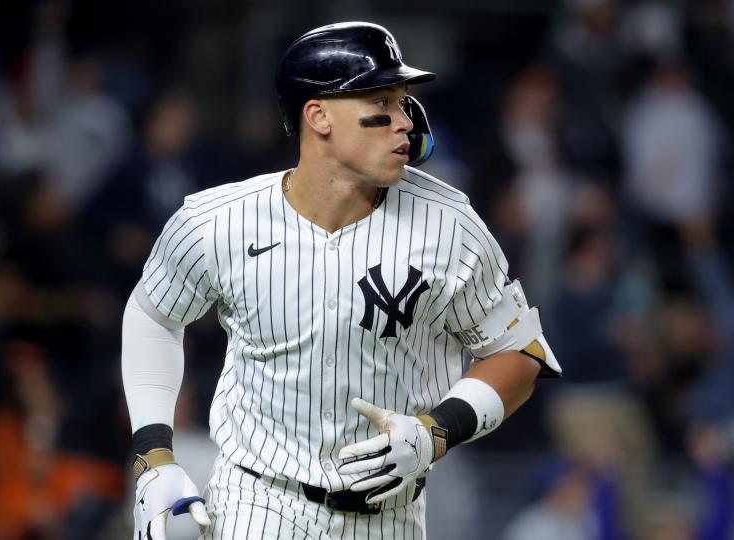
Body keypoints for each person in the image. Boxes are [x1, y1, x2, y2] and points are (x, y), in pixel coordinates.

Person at [121, 21, 561, 539]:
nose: (405, 122)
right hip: (257, 502)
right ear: (319, 115)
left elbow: (521, 353)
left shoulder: (449, 225)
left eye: (405, 102)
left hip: (390, 517)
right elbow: (152, 317)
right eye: (382, 101)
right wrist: (153, 456)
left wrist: (436, 431)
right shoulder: (217, 221)